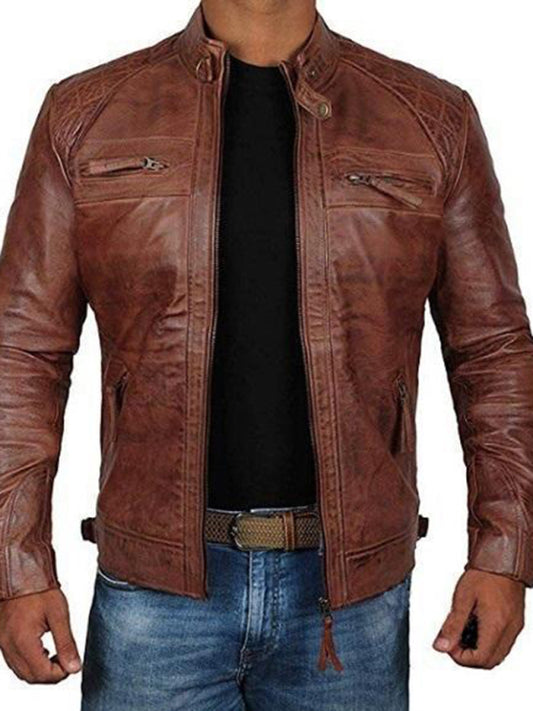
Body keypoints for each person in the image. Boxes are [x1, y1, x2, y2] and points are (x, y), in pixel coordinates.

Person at [0, 1, 530, 709]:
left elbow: (491, 350)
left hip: (350, 601)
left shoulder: (431, 119)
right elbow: (23, 351)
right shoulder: (85, 116)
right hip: (154, 593)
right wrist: (17, 564)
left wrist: (503, 553)